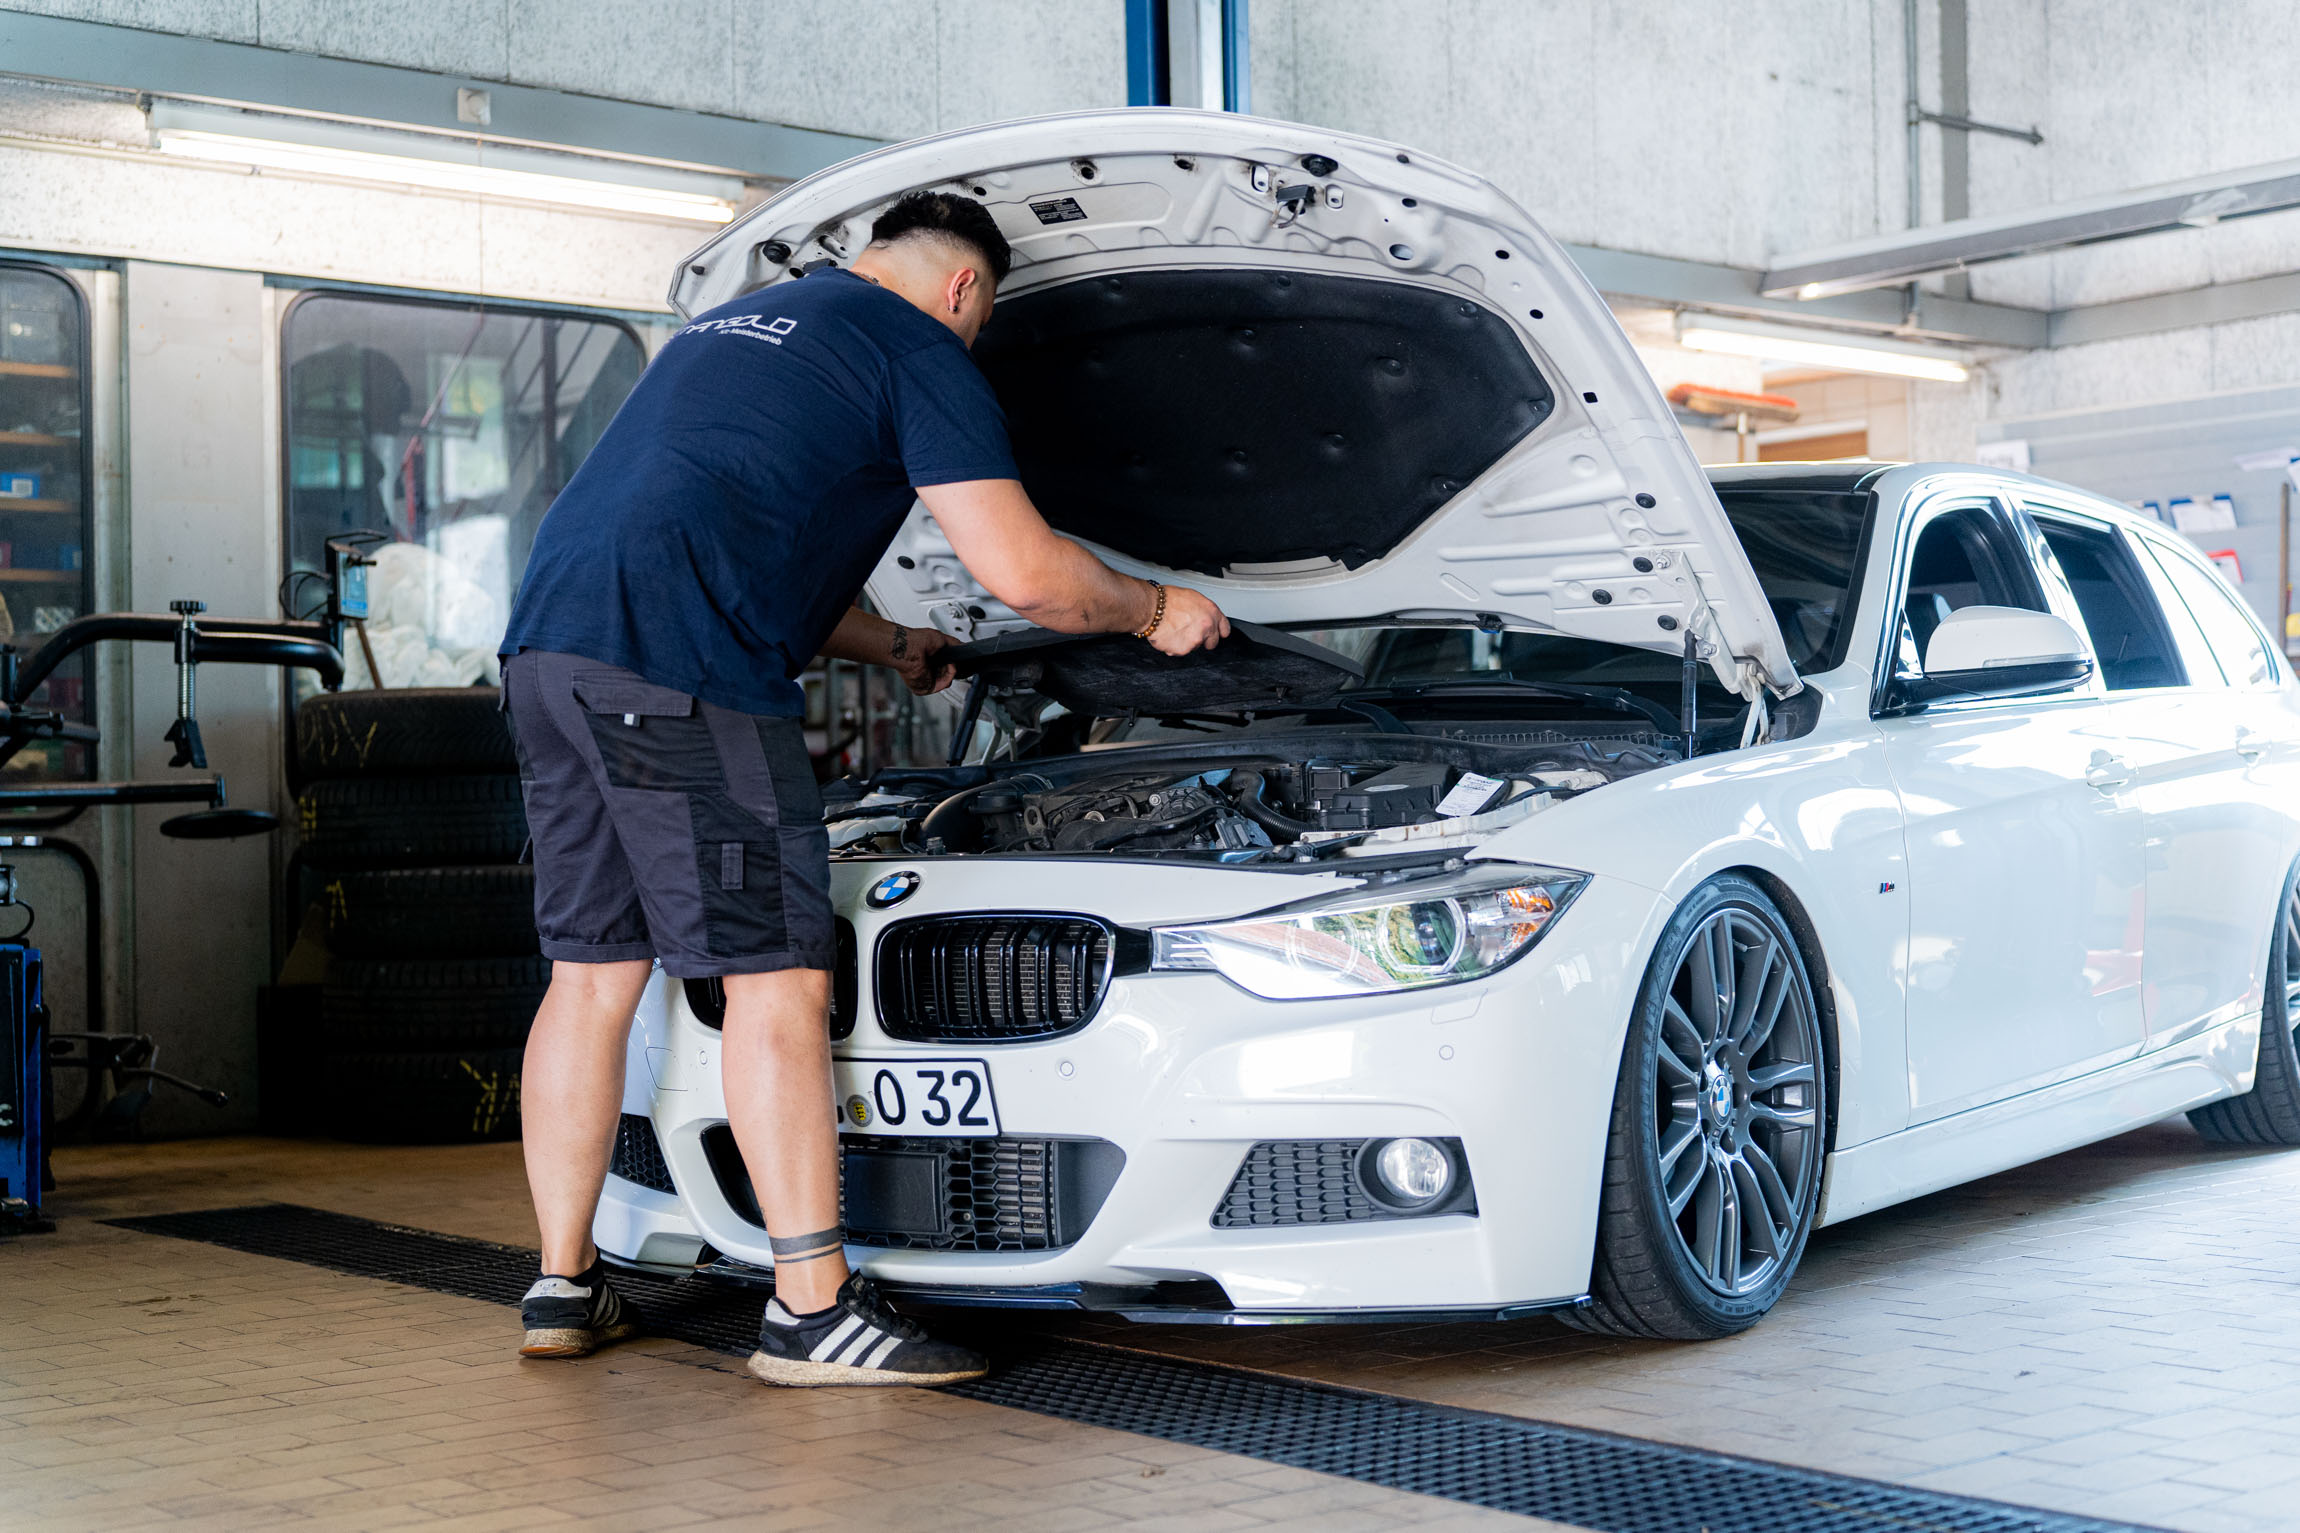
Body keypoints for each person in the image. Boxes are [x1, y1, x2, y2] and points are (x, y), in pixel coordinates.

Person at [496, 191, 1228, 1387]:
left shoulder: (736, 331)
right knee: (773, 983)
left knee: (589, 979)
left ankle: (561, 1284)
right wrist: (1158, 609)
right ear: (962, 293)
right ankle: (810, 1310)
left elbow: (713, 525)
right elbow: (1025, 573)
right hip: (686, 678)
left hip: (554, 652)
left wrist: (890, 645)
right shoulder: (913, 346)